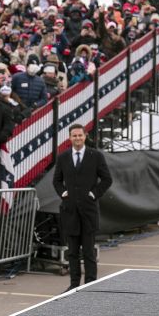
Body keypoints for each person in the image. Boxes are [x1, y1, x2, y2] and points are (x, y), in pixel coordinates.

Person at [52, 124, 112, 292]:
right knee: (72, 252)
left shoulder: (96, 156)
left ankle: (91, 284)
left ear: (85, 136)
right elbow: (56, 180)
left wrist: (94, 194)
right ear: (69, 138)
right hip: (70, 212)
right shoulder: (63, 157)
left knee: (88, 251)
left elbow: (107, 179)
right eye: (74, 136)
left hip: (88, 211)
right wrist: (63, 193)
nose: (77, 138)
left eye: (80, 135)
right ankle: (74, 284)